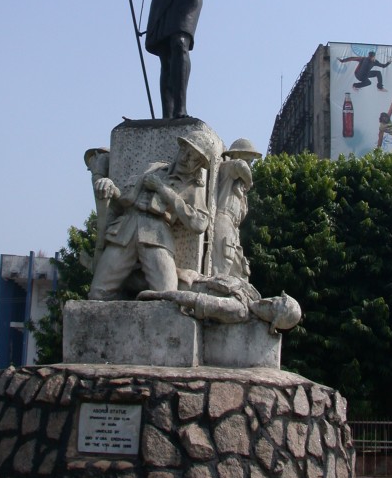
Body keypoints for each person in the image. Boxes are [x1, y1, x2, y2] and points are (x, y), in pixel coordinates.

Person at [88, 131, 214, 300]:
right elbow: (126, 199)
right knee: (97, 293)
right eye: (185, 151)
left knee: (167, 294)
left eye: (194, 158)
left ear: (199, 164)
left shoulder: (193, 187)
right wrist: (109, 185)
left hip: (157, 234)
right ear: (180, 148)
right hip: (126, 229)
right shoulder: (155, 168)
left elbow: (199, 224)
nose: (186, 159)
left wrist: (163, 190)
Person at [138, 270, 301, 335]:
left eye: (271, 307)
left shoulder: (238, 310)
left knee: (136, 282)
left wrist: (159, 294)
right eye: (274, 299)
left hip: (179, 286)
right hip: (190, 274)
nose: (266, 301)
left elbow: (195, 300)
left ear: (271, 322)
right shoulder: (252, 292)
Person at [211, 138, 262, 279]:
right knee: (222, 264)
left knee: (240, 271)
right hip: (224, 218)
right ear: (239, 155)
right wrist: (249, 181)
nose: (250, 166)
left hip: (234, 226)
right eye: (250, 161)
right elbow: (241, 166)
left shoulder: (240, 185)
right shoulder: (229, 166)